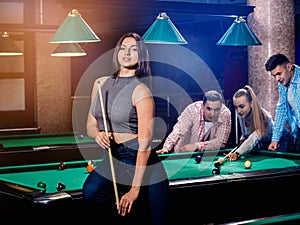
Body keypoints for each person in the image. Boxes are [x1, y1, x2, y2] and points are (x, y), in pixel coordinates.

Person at [82, 32, 170, 225]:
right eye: (123, 48)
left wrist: (135, 189)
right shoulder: (100, 83)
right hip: (113, 158)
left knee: (158, 220)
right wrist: (98, 134)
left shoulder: (140, 90)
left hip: (141, 161)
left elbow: (145, 145)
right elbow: (90, 125)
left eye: (133, 49)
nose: (127, 53)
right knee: (90, 192)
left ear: (141, 55)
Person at [156, 90, 232, 154]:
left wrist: (196, 146)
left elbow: (220, 142)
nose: (212, 114)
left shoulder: (225, 113)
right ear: (203, 106)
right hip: (182, 154)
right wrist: (167, 147)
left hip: (209, 156)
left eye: (216, 110)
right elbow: (178, 130)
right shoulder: (192, 110)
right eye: (209, 109)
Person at [227, 85, 279, 161]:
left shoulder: (263, 117)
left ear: (251, 103)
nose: (238, 111)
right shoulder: (242, 114)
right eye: (236, 107)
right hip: (263, 145)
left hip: (279, 142)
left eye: (241, 106)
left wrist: (237, 153)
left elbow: (254, 137)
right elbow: (249, 131)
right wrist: (244, 136)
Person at [265, 53, 300, 153]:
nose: (277, 79)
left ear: (289, 67)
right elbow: (282, 110)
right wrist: (275, 139)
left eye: (279, 73)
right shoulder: (283, 84)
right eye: (274, 75)